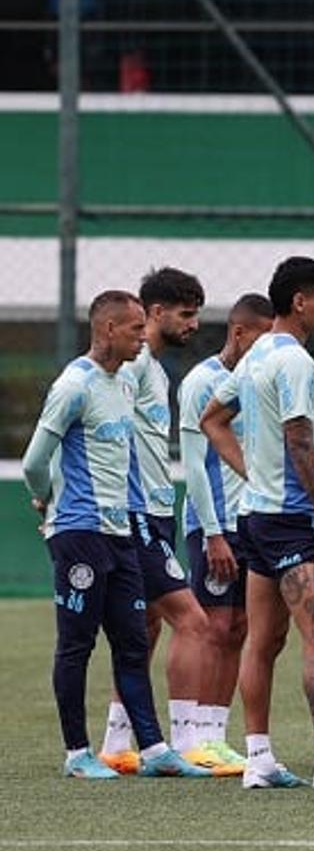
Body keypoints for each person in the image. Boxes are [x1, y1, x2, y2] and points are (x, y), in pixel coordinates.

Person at [24, 290, 206, 780]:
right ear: (107, 330)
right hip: (79, 532)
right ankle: (78, 754)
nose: (140, 338)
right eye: (132, 329)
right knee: (76, 644)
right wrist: (46, 500)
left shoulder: (126, 382)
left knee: (131, 641)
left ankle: (154, 751)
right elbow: (34, 460)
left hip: (121, 530)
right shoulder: (74, 386)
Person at [200, 256, 314, 790]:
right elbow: (300, 438)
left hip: (254, 516)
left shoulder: (257, 352)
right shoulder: (295, 362)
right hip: (290, 519)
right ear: (300, 301)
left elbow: (212, 420)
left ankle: (258, 758)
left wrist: (254, 475)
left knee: (264, 640)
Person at [97, 268, 222, 775]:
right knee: (192, 621)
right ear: (153, 313)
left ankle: (115, 742)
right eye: (185, 314)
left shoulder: (152, 369)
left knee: (145, 626)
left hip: (154, 511)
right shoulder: (133, 367)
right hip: (136, 512)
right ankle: (189, 742)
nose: (193, 325)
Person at [174, 293, 272, 774]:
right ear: (239, 333)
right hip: (213, 524)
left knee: (238, 627)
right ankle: (194, 737)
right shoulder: (202, 383)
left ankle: (215, 733)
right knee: (214, 626)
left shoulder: (255, 383)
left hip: (250, 519)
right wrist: (212, 532)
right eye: (262, 338)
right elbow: (193, 465)